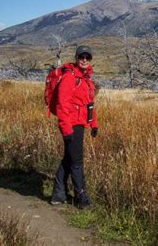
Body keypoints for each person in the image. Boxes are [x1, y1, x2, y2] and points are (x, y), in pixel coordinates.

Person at [50, 45, 99, 209]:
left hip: (80, 124)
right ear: (76, 58)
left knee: (69, 158)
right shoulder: (70, 78)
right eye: (81, 57)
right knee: (77, 161)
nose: (84, 60)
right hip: (71, 125)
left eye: (87, 57)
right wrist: (66, 128)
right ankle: (81, 197)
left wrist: (94, 124)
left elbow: (89, 105)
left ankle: (58, 194)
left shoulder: (86, 79)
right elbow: (61, 105)